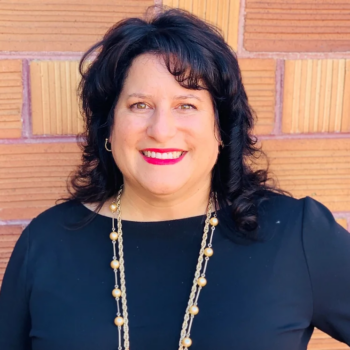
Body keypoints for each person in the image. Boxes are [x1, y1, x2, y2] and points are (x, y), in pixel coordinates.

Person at [0, 6, 349, 350]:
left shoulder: (294, 234)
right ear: (109, 126)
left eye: (187, 105)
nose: (161, 131)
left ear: (221, 127)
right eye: (140, 105)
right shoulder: (45, 243)